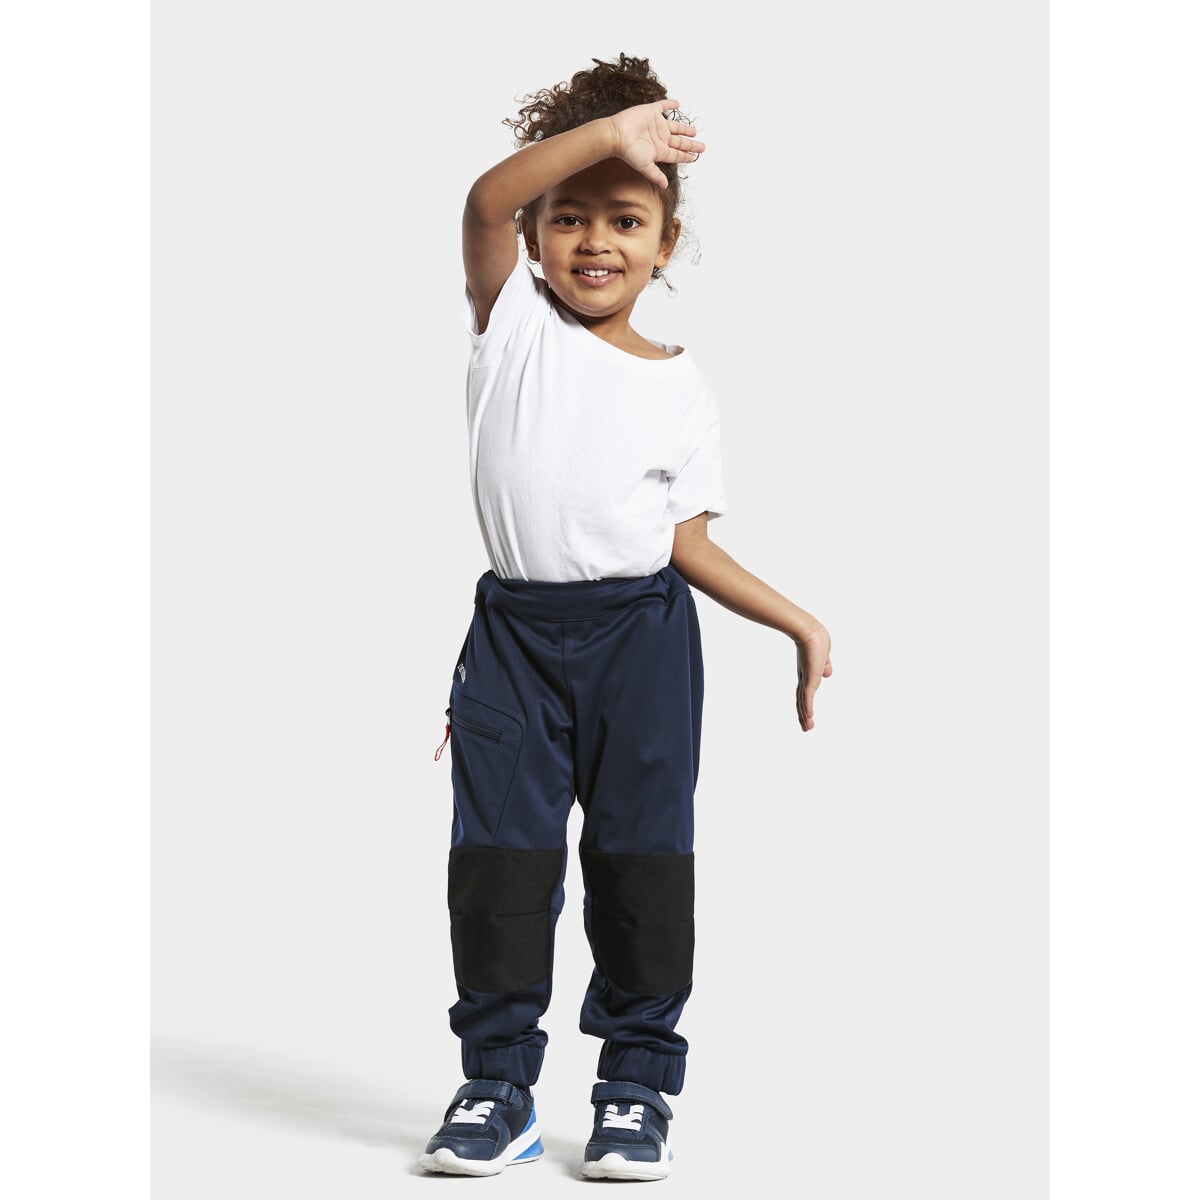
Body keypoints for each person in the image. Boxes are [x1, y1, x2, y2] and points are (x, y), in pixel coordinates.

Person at [420, 53, 833, 1181]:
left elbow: (684, 543)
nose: (594, 241)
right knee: (500, 869)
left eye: (626, 220)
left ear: (665, 242)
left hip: (642, 642)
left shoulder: (683, 388)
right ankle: (496, 1085)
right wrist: (614, 135)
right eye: (569, 218)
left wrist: (798, 622)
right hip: (514, 640)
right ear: (535, 234)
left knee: (641, 866)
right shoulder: (511, 321)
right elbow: (484, 200)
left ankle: (636, 1087)